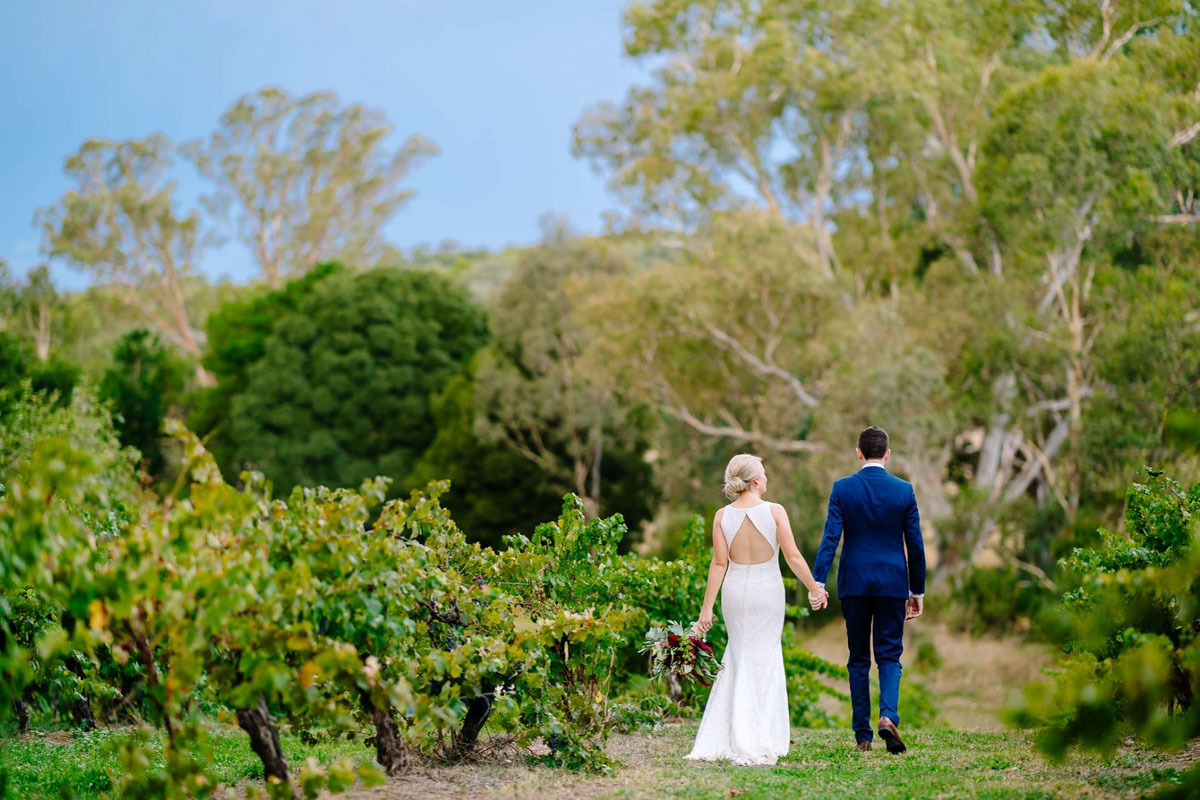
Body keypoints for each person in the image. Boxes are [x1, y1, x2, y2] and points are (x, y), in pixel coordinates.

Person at [686, 453, 828, 765]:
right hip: (767, 592)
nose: (766, 478)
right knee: (763, 656)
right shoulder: (774, 511)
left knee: (738, 655)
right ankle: (759, 734)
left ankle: (732, 734)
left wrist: (706, 610)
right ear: (755, 481)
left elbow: (719, 563)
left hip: (735, 592)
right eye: (763, 473)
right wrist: (814, 588)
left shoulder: (722, 516)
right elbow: (792, 557)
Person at [811, 425, 926, 753]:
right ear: (887, 454)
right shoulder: (904, 491)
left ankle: (863, 735)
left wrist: (818, 581)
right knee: (889, 654)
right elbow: (915, 545)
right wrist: (916, 591)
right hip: (892, 583)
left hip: (855, 584)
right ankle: (888, 715)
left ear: (859, 453)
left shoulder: (842, 489)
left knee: (858, 658)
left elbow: (831, 538)